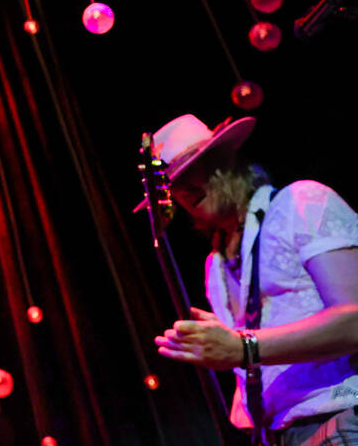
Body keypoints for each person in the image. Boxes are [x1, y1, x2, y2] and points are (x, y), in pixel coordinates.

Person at [151, 114, 358, 446]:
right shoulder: (215, 265)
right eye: (173, 183)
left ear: (226, 160)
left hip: (340, 417)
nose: (185, 188)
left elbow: (355, 320)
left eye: (194, 168)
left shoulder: (301, 201)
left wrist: (243, 347)